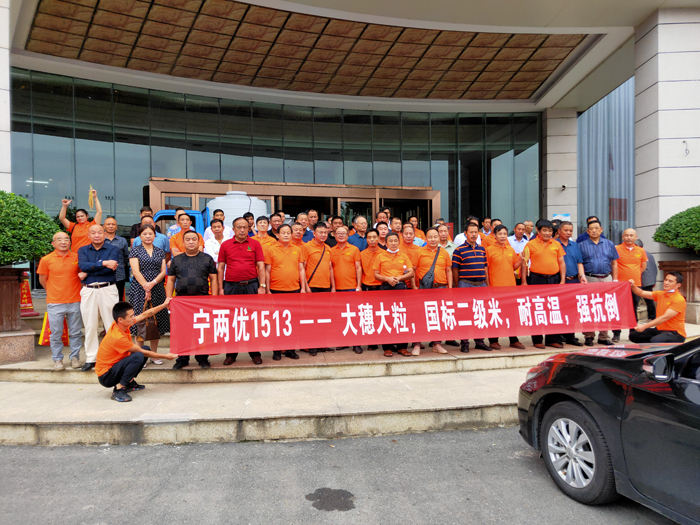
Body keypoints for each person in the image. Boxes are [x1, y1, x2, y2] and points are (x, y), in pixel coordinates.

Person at [95, 300, 177, 402]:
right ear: (120, 319)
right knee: (139, 355)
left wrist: (163, 305)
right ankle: (119, 389)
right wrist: (166, 356)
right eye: (131, 316)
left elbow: (144, 315)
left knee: (145, 349)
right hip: (106, 376)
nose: (133, 318)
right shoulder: (117, 337)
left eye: (133, 315)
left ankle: (129, 383)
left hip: (114, 367)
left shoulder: (121, 325)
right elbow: (142, 352)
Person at [217, 217, 265, 366]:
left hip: (251, 285)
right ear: (233, 229)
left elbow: (261, 266)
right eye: (239, 227)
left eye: (245, 227)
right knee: (232, 320)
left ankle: (255, 353)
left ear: (248, 229)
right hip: (231, 287)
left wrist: (262, 286)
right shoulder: (226, 245)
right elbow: (221, 267)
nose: (242, 230)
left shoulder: (255, 244)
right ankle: (231, 354)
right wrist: (220, 288)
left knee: (252, 320)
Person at [168, 230, 219, 369]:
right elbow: (171, 280)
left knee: (201, 331)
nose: (191, 242)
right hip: (182, 302)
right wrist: (169, 299)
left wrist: (214, 299)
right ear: (183, 242)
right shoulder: (177, 260)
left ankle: (202, 358)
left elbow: (214, 279)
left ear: (199, 242)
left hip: (202, 300)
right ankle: (182, 358)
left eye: (194, 239)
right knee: (182, 331)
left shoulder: (207, 258)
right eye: (188, 239)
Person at [37, 232, 85, 370]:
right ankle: (57, 359)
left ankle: (75, 358)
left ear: (70, 242)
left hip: (75, 300)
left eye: (66, 239)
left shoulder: (77, 257)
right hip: (55, 302)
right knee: (56, 333)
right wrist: (54, 291)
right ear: (53, 243)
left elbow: (82, 276)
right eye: (59, 239)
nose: (63, 242)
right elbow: (43, 280)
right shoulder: (46, 259)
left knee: (76, 332)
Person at [77, 224, 120, 371]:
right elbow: (83, 266)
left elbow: (110, 269)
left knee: (111, 325)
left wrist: (91, 269)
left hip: (108, 288)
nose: (97, 235)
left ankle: (113, 356)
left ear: (104, 234)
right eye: (93, 233)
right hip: (89, 290)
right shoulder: (83, 250)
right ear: (88, 235)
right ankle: (91, 358)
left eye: (100, 232)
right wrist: (104, 263)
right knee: (90, 325)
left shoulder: (113, 249)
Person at [521, 220, 566, 350]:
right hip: (536, 279)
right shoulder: (530, 244)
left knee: (553, 309)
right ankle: (537, 340)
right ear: (538, 231)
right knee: (537, 309)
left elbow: (561, 262)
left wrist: (562, 280)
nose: (547, 233)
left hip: (553, 279)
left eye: (550, 231)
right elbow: (524, 263)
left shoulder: (556, 244)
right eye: (545, 230)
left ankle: (552, 339)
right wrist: (524, 282)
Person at [265, 223, 306, 361]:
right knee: (277, 321)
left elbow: (301, 269)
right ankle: (277, 350)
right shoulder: (271, 250)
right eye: (283, 233)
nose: (286, 235)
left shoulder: (297, 249)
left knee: (292, 321)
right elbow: (267, 271)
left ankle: (290, 350)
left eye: (288, 232)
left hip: (294, 289)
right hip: (276, 290)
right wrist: (267, 289)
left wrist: (303, 288)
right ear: (277, 235)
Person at [129, 224, 169, 365]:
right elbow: (136, 272)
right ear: (140, 236)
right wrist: (146, 287)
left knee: (156, 321)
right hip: (139, 289)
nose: (147, 236)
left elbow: (163, 272)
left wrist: (152, 284)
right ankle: (140, 356)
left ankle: (154, 355)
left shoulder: (160, 251)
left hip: (157, 288)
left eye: (150, 234)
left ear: (154, 235)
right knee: (141, 321)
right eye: (144, 234)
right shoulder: (135, 251)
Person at [483, 224, 524, 350]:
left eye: (504, 234)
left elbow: (513, 267)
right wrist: (488, 286)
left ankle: (513, 340)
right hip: (495, 288)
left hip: (510, 288)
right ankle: (493, 340)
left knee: (511, 315)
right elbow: (486, 269)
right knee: (494, 314)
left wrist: (521, 260)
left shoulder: (510, 249)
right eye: (500, 234)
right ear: (494, 235)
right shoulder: (489, 250)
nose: (502, 236)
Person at [373, 232, 414, 357]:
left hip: (400, 287)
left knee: (401, 316)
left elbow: (411, 272)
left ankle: (402, 347)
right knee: (387, 317)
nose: (393, 243)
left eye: (395, 240)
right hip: (386, 287)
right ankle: (387, 347)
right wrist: (387, 279)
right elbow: (376, 274)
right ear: (386, 243)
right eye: (390, 241)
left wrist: (399, 278)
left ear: (399, 242)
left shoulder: (404, 256)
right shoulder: (380, 256)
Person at [412, 228, 453, 355]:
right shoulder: (419, 252)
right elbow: (413, 270)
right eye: (430, 237)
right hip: (424, 289)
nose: (433, 239)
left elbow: (448, 271)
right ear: (426, 239)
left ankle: (437, 344)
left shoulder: (444, 252)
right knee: (420, 316)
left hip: (441, 288)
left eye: (435, 237)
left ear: (439, 237)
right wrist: (414, 287)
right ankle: (417, 344)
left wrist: (450, 288)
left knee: (438, 316)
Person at [578, 220, 619, 346]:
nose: (594, 231)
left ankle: (604, 336)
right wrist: (582, 276)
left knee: (606, 308)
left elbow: (614, 263)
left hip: (606, 278)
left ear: (601, 229)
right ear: (587, 231)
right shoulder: (581, 245)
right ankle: (589, 336)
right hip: (589, 279)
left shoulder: (609, 244)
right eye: (591, 229)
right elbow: (579, 263)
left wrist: (615, 279)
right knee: (588, 308)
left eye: (596, 228)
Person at [452, 222, 490, 353]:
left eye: (476, 232)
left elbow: (485, 268)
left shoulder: (482, 249)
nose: (474, 235)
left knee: (480, 313)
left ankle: (479, 341)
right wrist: (458, 286)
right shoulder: (459, 250)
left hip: (481, 285)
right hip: (465, 284)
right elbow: (455, 270)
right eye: (471, 232)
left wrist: (487, 285)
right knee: (465, 314)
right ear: (465, 234)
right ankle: (464, 343)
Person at [330, 225, 363, 354]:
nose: (341, 235)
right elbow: (331, 270)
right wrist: (333, 287)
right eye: (338, 233)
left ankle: (356, 343)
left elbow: (358, 268)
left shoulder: (354, 249)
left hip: (352, 288)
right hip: (338, 289)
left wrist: (358, 285)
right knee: (341, 316)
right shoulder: (331, 251)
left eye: (343, 233)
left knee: (354, 316)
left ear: (348, 235)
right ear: (334, 235)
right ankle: (343, 341)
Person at [304, 221, 335, 356]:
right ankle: (312, 345)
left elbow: (330, 268)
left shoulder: (328, 248)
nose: (323, 235)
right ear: (314, 233)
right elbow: (302, 267)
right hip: (312, 287)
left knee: (324, 317)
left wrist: (333, 287)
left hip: (325, 287)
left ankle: (322, 344)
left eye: (325, 232)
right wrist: (305, 286)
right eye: (320, 232)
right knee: (311, 317)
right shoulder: (306, 247)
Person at [629, 272, 686, 343]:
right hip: (659, 330)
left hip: (675, 333)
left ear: (678, 285)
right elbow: (641, 293)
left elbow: (664, 318)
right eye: (666, 280)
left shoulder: (679, 299)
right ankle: (651, 347)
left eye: (670, 281)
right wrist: (633, 286)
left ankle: (658, 348)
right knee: (634, 335)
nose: (666, 283)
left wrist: (644, 326)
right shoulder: (661, 294)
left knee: (655, 341)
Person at [613, 228, 647, 343]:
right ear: (622, 237)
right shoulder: (616, 249)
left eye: (631, 235)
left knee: (633, 309)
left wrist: (633, 275)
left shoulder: (641, 251)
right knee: (618, 309)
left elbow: (643, 267)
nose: (629, 237)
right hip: (620, 285)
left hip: (635, 284)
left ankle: (633, 334)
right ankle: (616, 333)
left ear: (635, 237)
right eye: (626, 235)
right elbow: (613, 265)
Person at [557, 221, 586, 347]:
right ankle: (558, 336)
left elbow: (579, 263)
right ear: (559, 231)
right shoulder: (554, 244)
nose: (568, 233)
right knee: (559, 310)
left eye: (570, 230)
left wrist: (582, 276)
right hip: (559, 282)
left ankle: (570, 336)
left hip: (574, 280)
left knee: (572, 311)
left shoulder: (575, 245)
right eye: (566, 230)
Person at [103, 217, 129, 301]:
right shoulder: (100, 240)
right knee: (104, 300)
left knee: (119, 299)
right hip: (103, 275)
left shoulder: (122, 240)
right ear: (104, 226)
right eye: (108, 224)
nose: (111, 226)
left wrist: (121, 265)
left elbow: (126, 256)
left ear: (116, 227)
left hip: (119, 275)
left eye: (113, 224)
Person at [636, 239, 657, 320]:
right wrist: (654, 280)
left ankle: (652, 317)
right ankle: (652, 317)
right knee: (649, 300)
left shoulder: (639, 254)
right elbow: (654, 267)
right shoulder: (649, 254)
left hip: (643, 279)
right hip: (650, 279)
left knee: (638, 300)